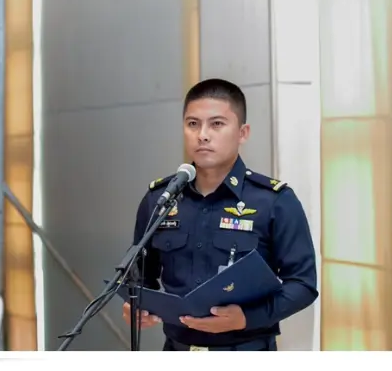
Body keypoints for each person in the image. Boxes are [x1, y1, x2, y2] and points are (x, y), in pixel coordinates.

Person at [122, 78, 318, 351]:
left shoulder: (275, 201)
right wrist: (137, 305)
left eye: (216, 124)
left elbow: (303, 284)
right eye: (193, 124)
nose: (202, 135)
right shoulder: (160, 199)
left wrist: (246, 318)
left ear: (242, 133)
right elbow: (141, 274)